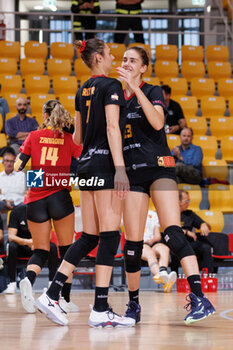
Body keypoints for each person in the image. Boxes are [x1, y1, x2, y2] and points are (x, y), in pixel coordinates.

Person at [35, 38, 135, 328]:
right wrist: (120, 168)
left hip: (86, 165)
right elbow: (113, 128)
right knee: (109, 235)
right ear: (98, 59)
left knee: (90, 236)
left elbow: (77, 139)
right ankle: (101, 307)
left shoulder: (81, 90)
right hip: (105, 165)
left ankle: (52, 294)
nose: (114, 57)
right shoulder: (110, 86)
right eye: (110, 53)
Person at [116, 46, 215, 325]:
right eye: (124, 60)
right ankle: (133, 306)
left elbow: (158, 122)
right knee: (133, 245)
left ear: (144, 67)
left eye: (133, 60)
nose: (127, 63)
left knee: (172, 233)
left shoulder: (153, 90)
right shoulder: (114, 96)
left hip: (159, 168)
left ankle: (199, 298)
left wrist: (136, 89)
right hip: (132, 174)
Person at [14, 100, 82, 314]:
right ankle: (65, 300)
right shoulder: (68, 139)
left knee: (41, 250)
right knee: (66, 251)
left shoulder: (33, 136)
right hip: (59, 196)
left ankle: (28, 279)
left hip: (35, 198)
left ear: (44, 115)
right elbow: (83, 159)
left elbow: (17, 166)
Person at [3, 204, 59, 294]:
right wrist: (27, 242)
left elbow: (49, 237)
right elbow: (11, 237)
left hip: (38, 246)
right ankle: (12, 283)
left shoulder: (44, 211)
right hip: (21, 246)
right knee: (12, 246)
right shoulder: (16, 211)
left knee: (52, 247)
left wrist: (36, 242)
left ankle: (51, 283)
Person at [170, 190, 229, 274]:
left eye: (189, 200)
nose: (189, 203)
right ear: (178, 201)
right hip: (174, 242)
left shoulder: (189, 214)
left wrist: (203, 224)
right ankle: (174, 278)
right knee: (174, 253)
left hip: (189, 243)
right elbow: (169, 228)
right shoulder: (169, 213)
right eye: (187, 201)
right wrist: (186, 232)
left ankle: (208, 276)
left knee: (205, 248)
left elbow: (204, 224)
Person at [141, 209, 177, 293]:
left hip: (152, 242)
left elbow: (157, 236)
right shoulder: (130, 213)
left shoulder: (153, 214)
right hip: (139, 244)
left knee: (164, 249)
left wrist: (151, 241)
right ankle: (163, 279)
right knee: (150, 253)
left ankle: (163, 273)